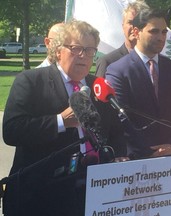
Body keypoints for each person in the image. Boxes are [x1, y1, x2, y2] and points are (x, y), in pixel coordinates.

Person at [2, 20, 128, 216]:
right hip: (41, 195)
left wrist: (118, 155)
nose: (83, 55)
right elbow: (12, 131)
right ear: (58, 50)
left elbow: (116, 133)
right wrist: (61, 121)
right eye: (75, 48)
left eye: (89, 50)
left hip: (91, 192)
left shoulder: (99, 86)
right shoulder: (31, 81)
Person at [105, 9, 171, 159]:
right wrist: (148, 151)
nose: (161, 38)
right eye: (154, 31)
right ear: (136, 32)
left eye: (164, 32)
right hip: (135, 161)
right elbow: (121, 118)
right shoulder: (118, 70)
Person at [95, 0, 149, 77]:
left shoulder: (155, 62)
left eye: (139, 22)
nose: (134, 27)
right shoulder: (108, 62)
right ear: (123, 26)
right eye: (130, 22)